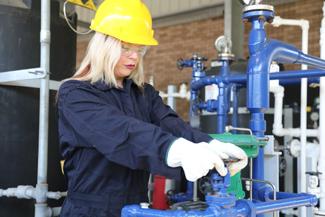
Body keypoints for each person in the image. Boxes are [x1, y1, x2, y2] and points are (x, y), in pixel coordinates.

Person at [57, 0, 248, 216]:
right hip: (90, 211)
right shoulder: (76, 94)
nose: (134, 57)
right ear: (103, 45)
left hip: (137, 209)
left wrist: (210, 144)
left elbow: (171, 124)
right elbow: (122, 133)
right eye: (125, 47)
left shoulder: (143, 93)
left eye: (139, 49)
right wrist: (176, 150)